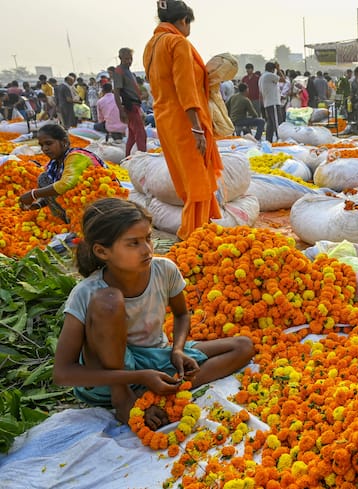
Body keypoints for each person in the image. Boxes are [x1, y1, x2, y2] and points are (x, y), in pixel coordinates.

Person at [53, 198, 254, 426]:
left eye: (148, 238)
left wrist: (177, 350)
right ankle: (124, 399)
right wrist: (138, 377)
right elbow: (63, 373)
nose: (147, 249)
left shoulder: (164, 270)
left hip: (154, 359)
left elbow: (181, 315)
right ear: (102, 251)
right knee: (110, 299)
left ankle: (154, 390)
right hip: (108, 380)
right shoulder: (87, 292)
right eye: (133, 243)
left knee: (243, 346)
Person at [143, 0, 224, 240]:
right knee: (197, 181)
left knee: (190, 181)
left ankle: (203, 229)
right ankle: (192, 236)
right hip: (183, 121)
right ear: (183, 21)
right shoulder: (177, 42)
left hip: (165, 120)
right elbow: (185, 88)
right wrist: (196, 128)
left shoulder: (152, 45)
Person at [17, 124, 108, 223]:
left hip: (101, 206)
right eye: (42, 145)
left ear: (64, 142)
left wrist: (33, 194)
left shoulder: (77, 157)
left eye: (48, 143)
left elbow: (65, 185)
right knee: (44, 178)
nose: (45, 149)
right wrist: (38, 204)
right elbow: (55, 191)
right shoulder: (54, 163)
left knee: (45, 180)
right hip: (80, 204)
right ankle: (68, 220)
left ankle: (79, 222)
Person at [114, 48, 148, 157]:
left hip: (136, 105)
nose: (129, 61)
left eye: (130, 59)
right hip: (130, 106)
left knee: (133, 135)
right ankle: (143, 159)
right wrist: (121, 110)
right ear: (120, 58)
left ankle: (127, 158)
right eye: (126, 59)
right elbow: (116, 92)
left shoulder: (129, 72)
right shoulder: (119, 71)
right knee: (141, 134)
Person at [259, 62, 282, 142]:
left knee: (270, 124)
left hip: (267, 103)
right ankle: (280, 139)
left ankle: (268, 140)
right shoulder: (269, 75)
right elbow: (283, 79)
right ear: (273, 69)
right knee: (277, 123)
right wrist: (278, 69)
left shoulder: (262, 77)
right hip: (273, 103)